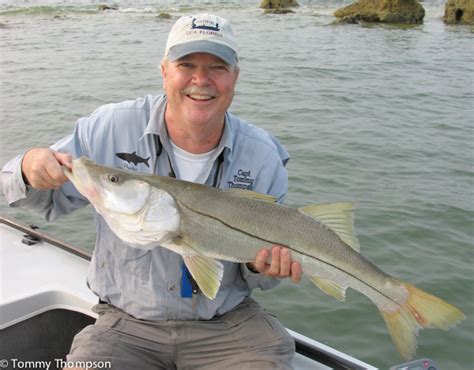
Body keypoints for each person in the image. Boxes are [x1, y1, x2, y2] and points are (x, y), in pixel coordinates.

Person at [1, 13, 302, 370]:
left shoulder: (264, 156)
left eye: (217, 67)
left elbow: (263, 279)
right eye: (186, 64)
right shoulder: (108, 129)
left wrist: (262, 267)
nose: (201, 80)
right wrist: (28, 167)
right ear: (164, 71)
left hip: (229, 326)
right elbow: (35, 198)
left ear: (235, 77)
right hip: (124, 325)